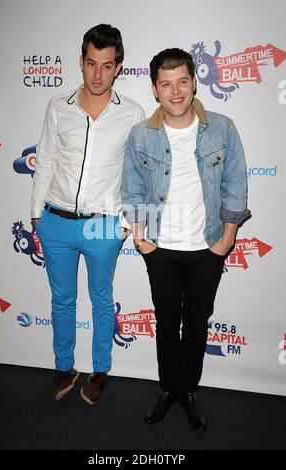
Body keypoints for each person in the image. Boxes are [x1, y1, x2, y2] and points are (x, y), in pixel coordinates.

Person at [122, 48, 250, 430]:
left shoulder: (223, 128)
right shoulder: (140, 135)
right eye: (166, 83)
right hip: (160, 248)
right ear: (154, 89)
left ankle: (189, 391)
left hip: (206, 248)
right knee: (165, 323)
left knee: (196, 325)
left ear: (194, 83)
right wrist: (142, 240)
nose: (175, 91)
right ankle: (167, 390)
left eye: (182, 81)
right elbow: (131, 191)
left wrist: (225, 240)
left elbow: (235, 186)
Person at [31, 24, 145, 405]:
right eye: (92, 63)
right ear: (81, 62)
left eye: (107, 65)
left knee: (100, 299)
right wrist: (35, 217)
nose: (98, 74)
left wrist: (126, 224)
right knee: (61, 300)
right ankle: (64, 367)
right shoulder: (56, 107)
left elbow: (140, 173)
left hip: (103, 226)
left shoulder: (131, 113)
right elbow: (44, 161)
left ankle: (100, 371)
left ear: (119, 67)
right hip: (56, 221)